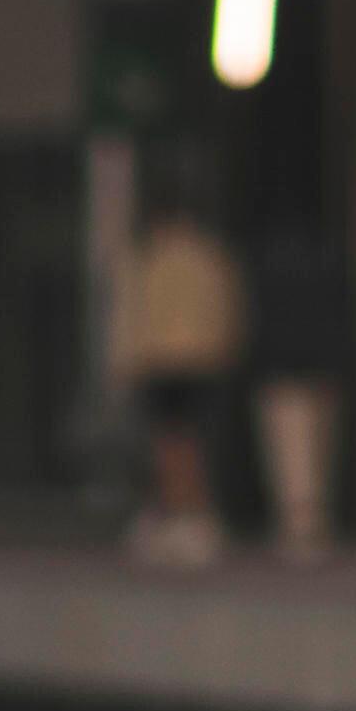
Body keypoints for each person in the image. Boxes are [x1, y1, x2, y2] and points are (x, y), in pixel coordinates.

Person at [112, 204, 247, 568]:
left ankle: (184, 516)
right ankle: (185, 516)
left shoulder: (150, 256)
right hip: (198, 357)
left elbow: (133, 312)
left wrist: (125, 360)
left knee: (171, 441)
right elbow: (226, 306)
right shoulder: (208, 255)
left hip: (163, 359)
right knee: (187, 441)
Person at [242, 221, 352, 563]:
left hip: (287, 370)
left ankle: (301, 526)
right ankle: (308, 524)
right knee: (313, 452)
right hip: (314, 369)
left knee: (292, 454)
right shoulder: (329, 266)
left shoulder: (271, 270)